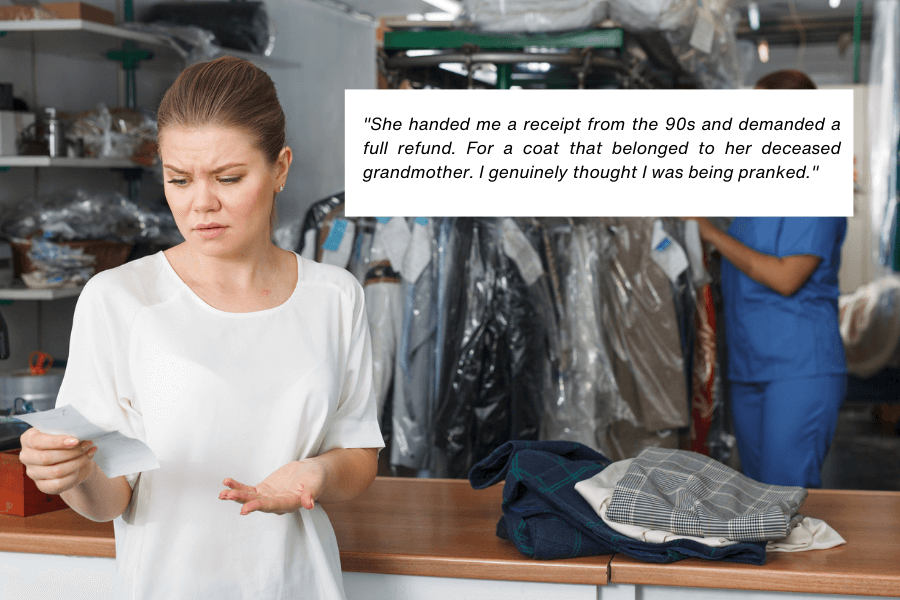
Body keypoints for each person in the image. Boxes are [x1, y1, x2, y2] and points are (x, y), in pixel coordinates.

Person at [18, 56, 384, 599]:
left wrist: (316, 475)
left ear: (280, 168)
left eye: (229, 178)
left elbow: (359, 455)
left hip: (303, 585)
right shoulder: (120, 300)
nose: (200, 204)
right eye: (178, 179)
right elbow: (111, 499)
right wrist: (71, 476)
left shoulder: (334, 296)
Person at [686, 71, 847, 489]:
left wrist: (712, 234)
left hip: (798, 367)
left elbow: (787, 277)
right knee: (758, 496)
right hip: (749, 363)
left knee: (786, 494)